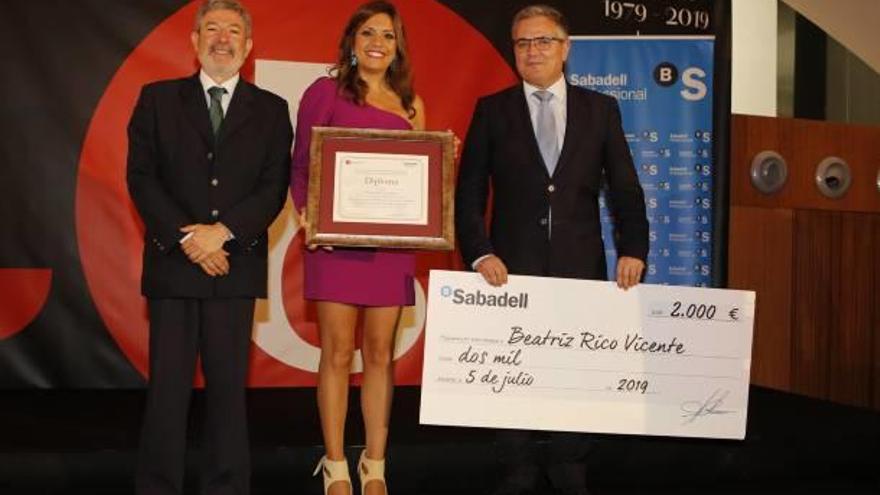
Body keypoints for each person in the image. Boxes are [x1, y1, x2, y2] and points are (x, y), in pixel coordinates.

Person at [455, 4, 649, 495]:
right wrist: (479, 253)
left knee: (574, 371)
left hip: (579, 265)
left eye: (543, 41)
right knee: (511, 369)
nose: (532, 51)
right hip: (508, 268)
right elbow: (469, 192)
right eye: (523, 43)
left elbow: (625, 187)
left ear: (566, 48)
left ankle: (569, 462)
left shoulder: (600, 109)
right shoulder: (492, 110)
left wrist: (633, 248)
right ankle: (517, 464)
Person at [126, 0, 292, 493]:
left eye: (234, 30)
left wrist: (222, 233)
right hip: (174, 265)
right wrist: (189, 237)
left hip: (233, 266)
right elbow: (141, 176)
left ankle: (226, 486)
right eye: (212, 29)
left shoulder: (271, 108)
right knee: (167, 393)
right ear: (194, 42)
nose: (223, 38)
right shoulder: (156, 99)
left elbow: (273, 186)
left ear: (249, 45)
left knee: (227, 395)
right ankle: (157, 486)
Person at [289, 2, 424, 495]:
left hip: (390, 248)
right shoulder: (324, 91)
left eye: (388, 36)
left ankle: (375, 464)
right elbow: (302, 165)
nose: (377, 43)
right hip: (335, 245)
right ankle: (334, 464)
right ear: (351, 41)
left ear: (397, 47)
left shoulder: (412, 105)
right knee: (338, 352)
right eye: (368, 33)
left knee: (381, 354)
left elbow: (422, 180)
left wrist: (442, 164)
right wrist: (309, 217)